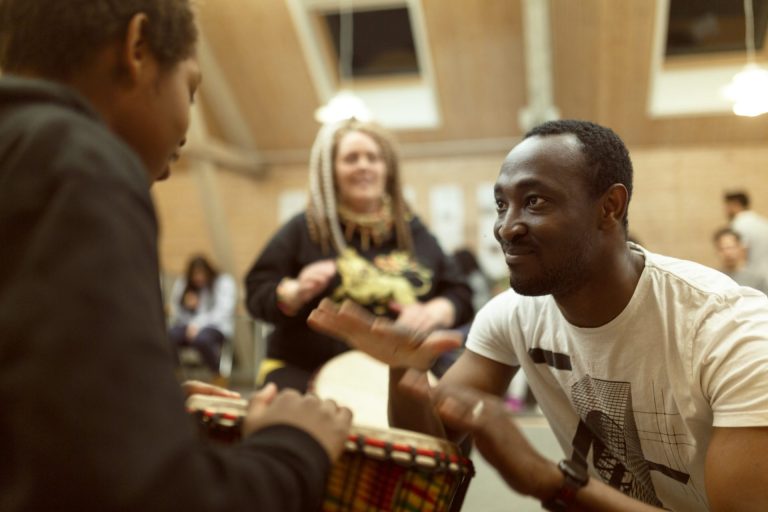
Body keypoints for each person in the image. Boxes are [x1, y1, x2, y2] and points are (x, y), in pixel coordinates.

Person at [308, 119, 768, 511]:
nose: (506, 227)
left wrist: (555, 483)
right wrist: (405, 372)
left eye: (535, 201)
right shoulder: (514, 315)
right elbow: (436, 451)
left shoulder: (729, 330)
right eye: (502, 204)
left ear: (610, 207)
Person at [0, 2, 351, 511]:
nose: (184, 137)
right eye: (190, 88)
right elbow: (149, 494)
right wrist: (294, 446)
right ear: (137, 48)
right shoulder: (77, 162)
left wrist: (143, 404)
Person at [244, 119, 473, 392]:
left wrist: (434, 312)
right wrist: (291, 293)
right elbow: (257, 289)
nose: (363, 165)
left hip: (398, 371)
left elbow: (459, 291)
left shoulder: (410, 229)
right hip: (306, 369)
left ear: (386, 169)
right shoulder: (305, 227)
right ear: (331, 172)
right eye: (351, 158)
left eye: (373, 158)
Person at [168, 254, 237, 373]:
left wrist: (197, 324)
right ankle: (176, 374)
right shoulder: (184, 283)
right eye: (195, 275)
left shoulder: (223, 282)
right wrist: (186, 306)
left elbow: (223, 311)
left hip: (215, 327)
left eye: (201, 274)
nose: (198, 278)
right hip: (187, 325)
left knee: (202, 339)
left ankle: (217, 374)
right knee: (167, 337)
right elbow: (176, 310)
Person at [724, 190, 768, 280]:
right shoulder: (763, 222)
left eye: (727, 206)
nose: (725, 210)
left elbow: (741, 254)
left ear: (735, 204)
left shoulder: (738, 224)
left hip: (753, 278)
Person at [712, 227, 768, 294]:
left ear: (740, 248)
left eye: (730, 247)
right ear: (717, 251)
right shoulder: (714, 278)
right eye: (722, 249)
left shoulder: (757, 279)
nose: (727, 253)